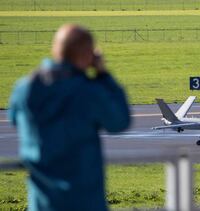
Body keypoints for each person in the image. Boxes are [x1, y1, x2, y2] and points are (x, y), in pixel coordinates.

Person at [8, 24, 131, 211]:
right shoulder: (89, 92)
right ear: (88, 55)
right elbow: (120, 121)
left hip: (42, 203)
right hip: (86, 202)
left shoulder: (24, 88)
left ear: (56, 50)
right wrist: (103, 75)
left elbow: (14, 119)